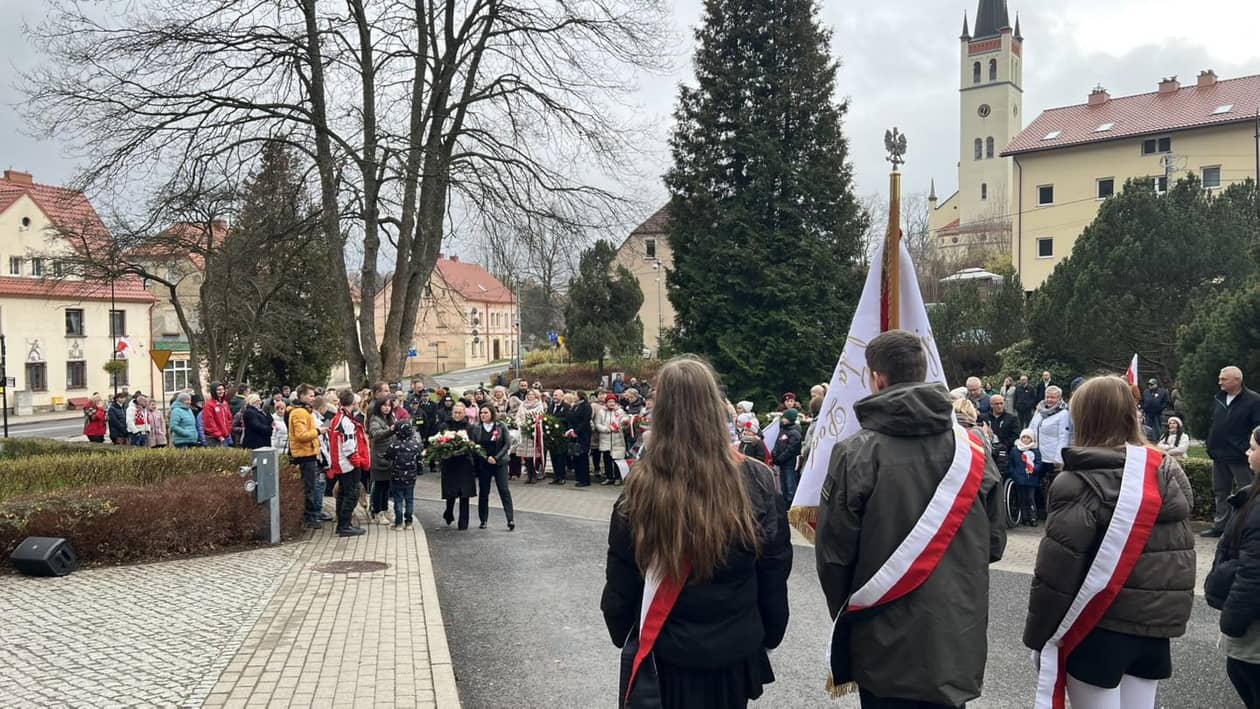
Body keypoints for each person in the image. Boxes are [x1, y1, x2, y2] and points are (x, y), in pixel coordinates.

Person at [816, 329, 1005, 709]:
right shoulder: (974, 448)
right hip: (954, 633)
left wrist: (853, 616)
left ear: (877, 379)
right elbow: (995, 543)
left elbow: (834, 558)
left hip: (881, 634)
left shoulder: (855, 453)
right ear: (921, 372)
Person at [600, 357, 791, 709]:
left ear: (661, 411)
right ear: (714, 407)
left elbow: (622, 571)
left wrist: (622, 628)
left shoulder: (640, 485)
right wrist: (769, 630)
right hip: (733, 651)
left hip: (665, 650)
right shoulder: (757, 478)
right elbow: (774, 567)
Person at [1023, 376, 1193, 709]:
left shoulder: (1077, 480)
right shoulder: (1167, 471)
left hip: (1098, 629)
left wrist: (1039, 640)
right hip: (1154, 631)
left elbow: (1056, 573)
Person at [1206, 426, 1260, 708]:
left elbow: (1253, 575)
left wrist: (1232, 624)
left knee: (1244, 674)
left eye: (1252, 447)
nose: (1247, 453)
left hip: (1253, 631)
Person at [1204, 367, 1260, 538]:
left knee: (1248, 490)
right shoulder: (1219, 398)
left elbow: (1257, 426)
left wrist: (1247, 447)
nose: (1220, 382)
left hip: (1240, 455)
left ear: (1237, 380)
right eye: (1220, 378)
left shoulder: (1254, 400)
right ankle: (1221, 525)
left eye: (1224, 379)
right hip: (1219, 453)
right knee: (1220, 490)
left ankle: (1246, 526)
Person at [328, 389, 369, 537]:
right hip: (347, 464)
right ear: (353, 403)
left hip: (340, 462)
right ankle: (344, 525)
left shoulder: (337, 418)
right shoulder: (346, 422)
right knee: (351, 494)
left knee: (343, 494)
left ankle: (342, 524)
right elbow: (349, 446)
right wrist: (357, 462)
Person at [289, 385, 328, 530]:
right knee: (309, 487)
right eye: (310, 396)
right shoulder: (299, 413)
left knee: (311, 485)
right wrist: (318, 431)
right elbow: (301, 435)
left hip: (309, 452)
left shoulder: (305, 411)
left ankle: (312, 514)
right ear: (302, 396)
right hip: (305, 454)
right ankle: (310, 516)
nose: (313, 398)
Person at [471, 404, 515, 530]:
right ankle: (483, 519)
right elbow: (475, 446)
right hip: (484, 464)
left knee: (504, 490)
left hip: (499, 463)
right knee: (484, 492)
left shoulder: (501, 426)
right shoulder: (477, 428)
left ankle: (510, 519)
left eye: (485, 413)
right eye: (481, 413)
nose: (483, 415)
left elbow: (507, 444)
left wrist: (496, 458)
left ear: (492, 413)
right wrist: (485, 457)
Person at [439, 403, 477, 530]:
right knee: (451, 493)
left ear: (464, 414)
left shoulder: (469, 427)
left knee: (464, 494)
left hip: (464, 464)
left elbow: (473, 443)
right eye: (455, 412)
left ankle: (463, 522)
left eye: (460, 413)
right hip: (449, 463)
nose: (457, 415)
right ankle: (448, 512)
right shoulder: (445, 426)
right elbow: (439, 441)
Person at [383, 420, 423, 531]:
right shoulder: (415, 444)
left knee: (398, 500)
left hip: (397, 476)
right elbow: (419, 460)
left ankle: (399, 523)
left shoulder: (394, 444)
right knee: (409, 499)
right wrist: (419, 471)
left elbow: (387, 456)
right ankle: (409, 522)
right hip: (411, 476)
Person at [1030, 385, 1072, 489]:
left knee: (1050, 486)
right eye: (1047, 397)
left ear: (1059, 398)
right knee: (1036, 484)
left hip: (1051, 457)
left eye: (1053, 397)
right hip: (1037, 454)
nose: (1049, 400)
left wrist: (1059, 458)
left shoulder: (1063, 414)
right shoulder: (1040, 411)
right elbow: (1031, 428)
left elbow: (1064, 437)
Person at [367, 397, 397, 525]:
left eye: (389, 406)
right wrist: (390, 431)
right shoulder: (375, 419)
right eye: (384, 405)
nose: (386, 408)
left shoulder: (390, 418)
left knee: (386, 486)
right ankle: (377, 511)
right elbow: (376, 434)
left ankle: (384, 509)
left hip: (389, 458)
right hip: (379, 458)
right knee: (379, 486)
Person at [514, 389, 549, 484]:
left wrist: (533, 424)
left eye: (532, 394)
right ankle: (529, 475)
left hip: (533, 432)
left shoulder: (539, 405)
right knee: (526, 456)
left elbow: (540, 417)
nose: (530, 396)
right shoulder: (522, 405)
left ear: (536, 396)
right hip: (524, 432)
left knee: (533, 455)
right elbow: (518, 416)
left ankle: (534, 475)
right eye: (529, 394)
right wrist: (520, 423)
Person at [1010, 429, 1043, 527]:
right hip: (1019, 479)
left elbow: (1039, 463)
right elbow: (1011, 463)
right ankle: (1024, 518)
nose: (1025, 439)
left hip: (1031, 479)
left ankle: (1033, 517)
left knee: (1030, 498)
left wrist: (1034, 469)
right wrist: (1014, 473)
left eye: (1028, 437)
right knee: (1022, 499)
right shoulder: (1015, 450)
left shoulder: (1035, 451)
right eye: (1023, 437)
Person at [594, 394, 629, 486]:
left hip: (617, 440)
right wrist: (606, 429)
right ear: (606, 403)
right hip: (605, 440)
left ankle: (618, 478)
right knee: (607, 460)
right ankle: (609, 477)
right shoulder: (602, 412)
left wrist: (623, 423)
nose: (611, 403)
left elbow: (625, 420)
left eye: (613, 402)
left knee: (617, 461)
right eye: (609, 402)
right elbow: (598, 424)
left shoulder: (620, 411)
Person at [770, 408, 803, 505]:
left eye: (784, 417)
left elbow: (792, 449)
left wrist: (780, 458)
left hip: (789, 464)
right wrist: (774, 454)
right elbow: (777, 443)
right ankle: (785, 506)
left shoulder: (794, 432)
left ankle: (791, 506)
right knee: (783, 487)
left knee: (790, 487)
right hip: (782, 464)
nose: (782, 419)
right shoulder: (783, 430)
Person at [566, 391, 593, 487]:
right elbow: (569, 418)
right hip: (573, 434)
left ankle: (585, 479)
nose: (573, 396)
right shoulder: (574, 406)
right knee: (576, 456)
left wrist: (576, 431)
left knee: (583, 457)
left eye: (575, 395)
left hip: (583, 435)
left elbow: (585, 421)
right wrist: (571, 430)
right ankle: (578, 477)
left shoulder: (586, 406)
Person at [548, 389, 570, 483]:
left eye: (556, 395)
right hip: (552, 436)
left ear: (562, 396)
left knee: (561, 457)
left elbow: (567, 419)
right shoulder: (551, 406)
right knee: (553, 457)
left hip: (561, 435)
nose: (554, 397)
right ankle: (556, 476)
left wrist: (554, 420)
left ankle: (562, 477)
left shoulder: (566, 407)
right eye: (553, 395)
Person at [203, 382, 233, 447]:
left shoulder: (225, 403)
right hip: (214, 438)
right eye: (219, 390)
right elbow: (209, 422)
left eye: (222, 389)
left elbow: (229, 418)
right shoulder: (209, 405)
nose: (221, 391)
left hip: (225, 436)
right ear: (214, 391)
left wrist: (228, 431)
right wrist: (218, 435)